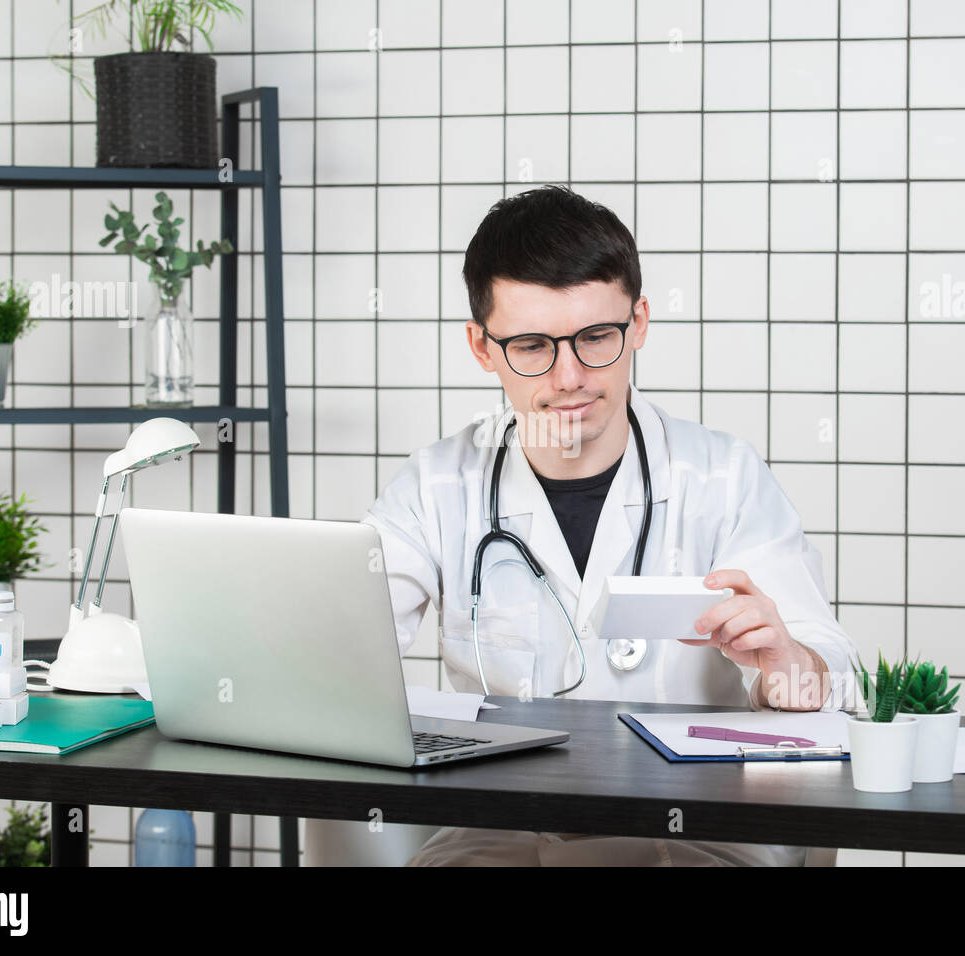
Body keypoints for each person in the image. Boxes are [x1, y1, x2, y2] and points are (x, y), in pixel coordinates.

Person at [364, 185, 860, 866]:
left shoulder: (723, 477)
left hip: (699, 820)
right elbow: (340, 650)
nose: (570, 376)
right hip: (504, 824)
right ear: (482, 347)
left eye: (596, 337)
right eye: (533, 345)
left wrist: (785, 666)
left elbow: (830, 681)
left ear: (640, 323)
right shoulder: (436, 486)